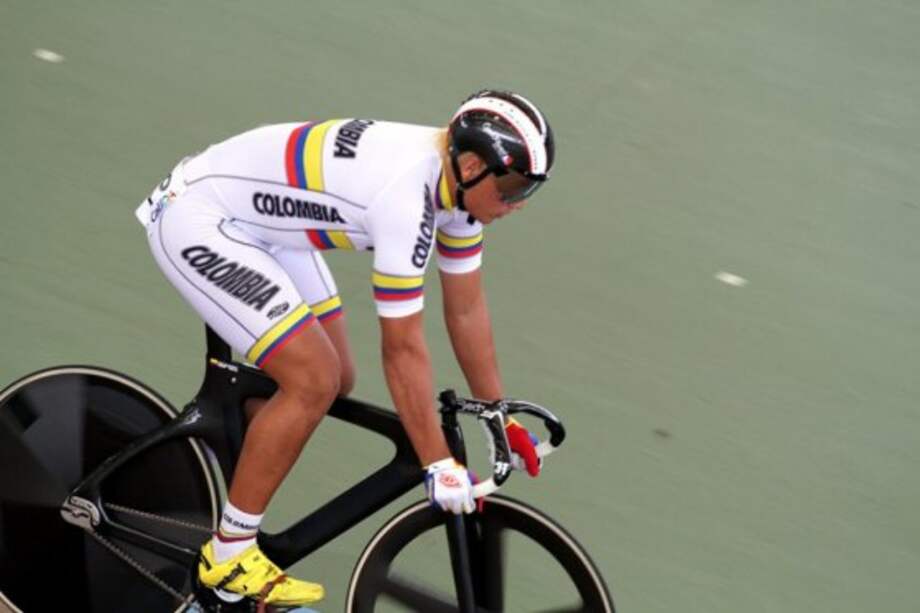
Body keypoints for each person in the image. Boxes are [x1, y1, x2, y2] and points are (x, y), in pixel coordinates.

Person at [135, 89, 555, 609]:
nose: (515, 205)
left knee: (336, 381)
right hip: (204, 218)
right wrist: (436, 462)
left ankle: (239, 465)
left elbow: (466, 312)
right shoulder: (406, 200)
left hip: (271, 230)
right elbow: (402, 350)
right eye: (512, 187)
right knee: (312, 379)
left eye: (528, 193)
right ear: (471, 165)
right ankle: (229, 554)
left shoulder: (459, 199)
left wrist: (497, 411)